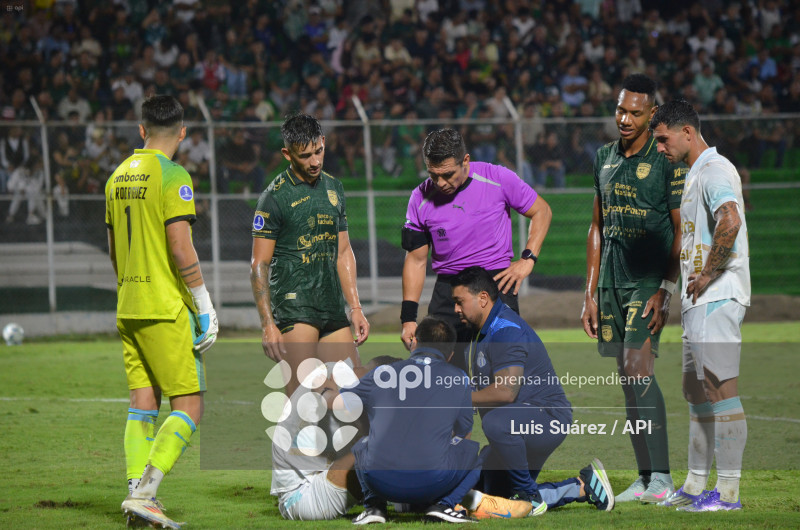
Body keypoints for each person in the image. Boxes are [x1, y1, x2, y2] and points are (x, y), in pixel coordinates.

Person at [105, 95, 218, 528]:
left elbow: (115, 251)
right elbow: (179, 245)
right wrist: (204, 304)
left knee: (142, 403)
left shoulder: (116, 177)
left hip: (128, 305)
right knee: (189, 406)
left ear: (141, 130)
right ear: (183, 132)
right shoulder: (173, 176)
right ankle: (148, 494)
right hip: (164, 306)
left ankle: (136, 493)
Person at [580, 74, 685, 504]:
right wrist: (589, 291)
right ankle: (644, 478)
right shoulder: (604, 156)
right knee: (627, 379)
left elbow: (680, 230)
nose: (624, 119)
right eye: (620, 109)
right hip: (610, 283)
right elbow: (597, 226)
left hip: (646, 281)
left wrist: (666, 286)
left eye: (635, 113)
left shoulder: (665, 161)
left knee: (638, 368)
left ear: (652, 114)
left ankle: (662, 477)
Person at [331, 316, 537, 524]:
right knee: (473, 455)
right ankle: (445, 505)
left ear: (415, 344)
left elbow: (341, 404)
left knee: (361, 445)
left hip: (379, 482)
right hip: (433, 482)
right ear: (450, 356)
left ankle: (374, 507)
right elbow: (464, 434)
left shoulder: (382, 372)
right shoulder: (459, 378)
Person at [651, 100, 750, 511]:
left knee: (719, 387)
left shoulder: (714, 170)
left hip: (717, 296)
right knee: (695, 391)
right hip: (699, 301)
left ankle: (727, 494)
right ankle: (694, 487)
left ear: (687, 133)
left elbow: (730, 219)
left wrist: (708, 272)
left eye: (662, 139)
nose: (659, 148)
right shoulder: (695, 173)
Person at [451, 266, 614, 515]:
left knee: (496, 424)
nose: (456, 309)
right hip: (520, 422)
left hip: (546, 417)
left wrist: (458, 399)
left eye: (460, 302)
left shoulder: (505, 330)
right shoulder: (482, 331)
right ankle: (584, 486)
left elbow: (506, 392)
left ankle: (529, 495)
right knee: (488, 495)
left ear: (482, 298)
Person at [400, 128, 552, 367]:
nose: (440, 183)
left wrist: (528, 259)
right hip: (448, 289)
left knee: (502, 372)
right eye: (433, 175)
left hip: (495, 284)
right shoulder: (419, 198)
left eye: (448, 174)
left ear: (466, 161)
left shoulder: (498, 178)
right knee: (439, 373)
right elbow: (416, 260)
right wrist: (408, 319)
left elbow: (542, 211)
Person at [250, 114, 369, 397]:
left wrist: (355, 307)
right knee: (303, 401)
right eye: (305, 156)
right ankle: (290, 442)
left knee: (352, 395)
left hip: (330, 304)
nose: (315, 161)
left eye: (319, 151)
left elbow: (343, 251)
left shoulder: (334, 188)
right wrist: (268, 324)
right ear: (287, 153)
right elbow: (259, 264)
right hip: (294, 306)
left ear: (324, 143)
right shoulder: (274, 197)